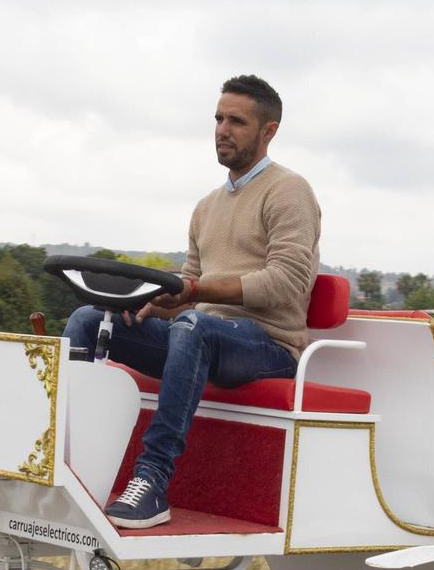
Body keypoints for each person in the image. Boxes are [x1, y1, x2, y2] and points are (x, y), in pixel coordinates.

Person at [64, 74, 321, 528]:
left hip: (268, 346)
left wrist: (193, 296)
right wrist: (154, 303)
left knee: (194, 327)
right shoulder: (206, 206)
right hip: (200, 335)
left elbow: (287, 281)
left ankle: (152, 481)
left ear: (269, 131)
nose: (223, 129)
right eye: (219, 118)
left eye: (237, 121)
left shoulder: (289, 191)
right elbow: (188, 285)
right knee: (89, 319)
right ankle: (65, 461)